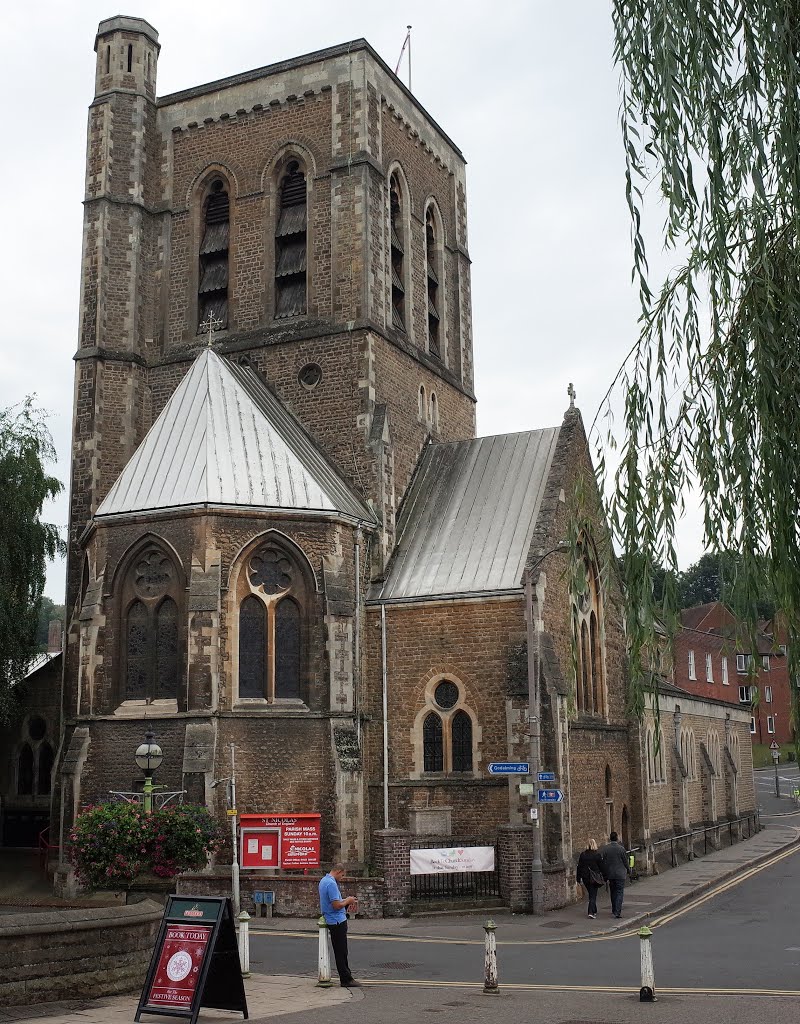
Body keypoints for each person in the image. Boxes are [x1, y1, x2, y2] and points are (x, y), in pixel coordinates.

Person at [319, 863, 361, 987]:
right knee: (341, 952)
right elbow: (336, 905)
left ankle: (346, 977)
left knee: (340, 951)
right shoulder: (331, 884)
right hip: (336, 920)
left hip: (332, 918)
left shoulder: (323, 880)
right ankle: (346, 979)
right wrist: (348, 901)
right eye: (342, 875)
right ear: (338, 871)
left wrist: (346, 902)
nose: (342, 878)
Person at [600, 831, 628, 918]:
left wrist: (604, 874)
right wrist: (629, 870)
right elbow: (625, 861)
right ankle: (617, 911)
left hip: (610, 874)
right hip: (620, 874)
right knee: (619, 892)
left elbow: (603, 862)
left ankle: (614, 909)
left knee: (613, 892)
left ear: (610, 838)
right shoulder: (621, 849)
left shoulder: (605, 849)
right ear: (617, 838)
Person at [575, 838, 604, 919]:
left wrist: (578, 878)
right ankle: (591, 912)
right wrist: (604, 877)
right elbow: (602, 867)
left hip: (585, 878)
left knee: (591, 893)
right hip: (594, 878)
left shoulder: (583, 855)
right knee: (593, 895)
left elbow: (579, 867)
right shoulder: (597, 855)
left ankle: (594, 910)